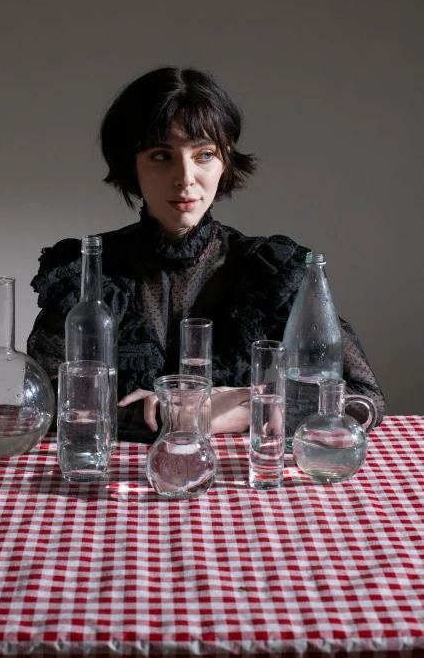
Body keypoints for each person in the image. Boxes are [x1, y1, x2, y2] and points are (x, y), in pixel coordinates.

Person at [27, 66, 384, 442]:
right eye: (162, 155)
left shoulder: (275, 273)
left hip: (242, 487)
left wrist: (254, 403)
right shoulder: (85, 270)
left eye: (204, 154)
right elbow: (43, 404)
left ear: (225, 160)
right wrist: (182, 413)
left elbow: (365, 400)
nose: (185, 177)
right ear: (131, 163)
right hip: (113, 488)